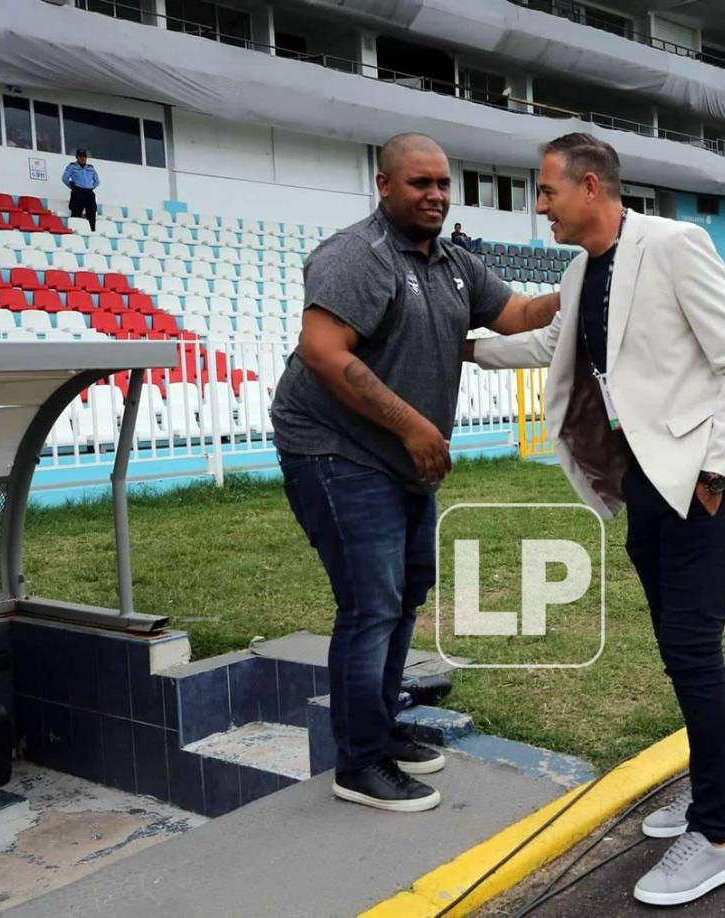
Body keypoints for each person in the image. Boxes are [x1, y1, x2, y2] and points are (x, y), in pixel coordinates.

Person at [469, 133, 725, 905]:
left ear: (591, 186)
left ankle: (713, 837)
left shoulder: (674, 244)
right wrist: (464, 346)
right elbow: (549, 341)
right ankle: (721, 789)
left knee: (691, 647)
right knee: (679, 650)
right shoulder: (580, 270)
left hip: (705, 483)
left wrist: (714, 470)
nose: (540, 207)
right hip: (643, 483)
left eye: (546, 192)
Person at [270, 132, 559, 814]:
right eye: (419, 183)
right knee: (370, 605)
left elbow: (515, 315)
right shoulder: (357, 256)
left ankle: (382, 728)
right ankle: (359, 762)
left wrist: (581, 284)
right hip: (334, 450)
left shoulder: (451, 262)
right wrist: (411, 425)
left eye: (442, 184)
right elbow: (321, 350)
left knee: (405, 593)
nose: (434, 195)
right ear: (385, 186)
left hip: (401, 460)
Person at [62, 148, 100, 231]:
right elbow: (65, 178)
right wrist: (73, 187)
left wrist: (90, 187)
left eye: (84, 157)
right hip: (78, 192)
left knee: (92, 213)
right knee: (76, 212)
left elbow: (97, 181)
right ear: (77, 157)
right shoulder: (72, 167)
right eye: (81, 156)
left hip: (89, 193)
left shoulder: (90, 168)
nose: (83, 158)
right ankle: (75, 231)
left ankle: (92, 231)